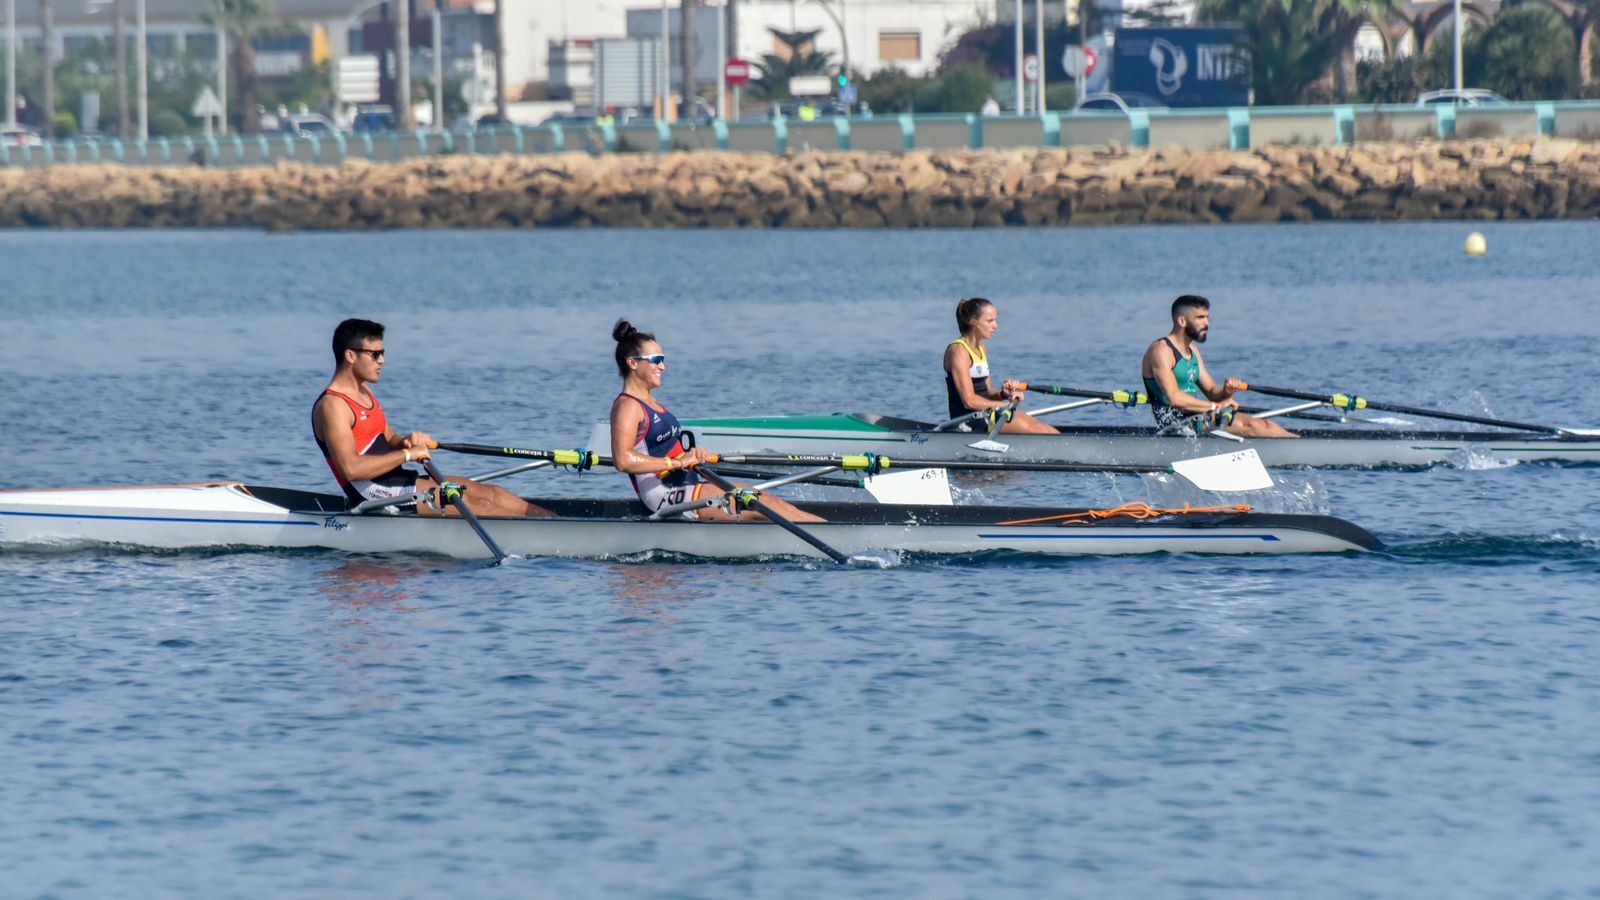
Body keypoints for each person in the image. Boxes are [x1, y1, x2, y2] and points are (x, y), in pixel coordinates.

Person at [311, 318, 551, 516]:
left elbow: (388, 439)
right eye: (375, 354)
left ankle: (555, 522)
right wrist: (407, 454)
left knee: (494, 494)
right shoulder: (333, 406)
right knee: (480, 506)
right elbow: (350, 469)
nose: (382, 360)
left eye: (382, 353)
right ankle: (549, 538)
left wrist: (407, 442)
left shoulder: (364, 392)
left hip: (398, 480)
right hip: (374, 491)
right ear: (351, 356)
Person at [609, 320, 823, 522]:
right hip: (664, 494)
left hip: (685, 485)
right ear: (632, 363)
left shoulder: (651, 402)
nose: (662, 367)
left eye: (663, 359)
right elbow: (623, 460)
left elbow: (660, 448)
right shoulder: (628, 406)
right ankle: (834, 537)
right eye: (655, 360)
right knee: (764, 505)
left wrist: (691, 454)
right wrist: (678, 463)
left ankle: (828, 530)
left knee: (772, 501)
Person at [1139, 295, 1297, 439]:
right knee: (1256, 426)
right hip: (1176, 425)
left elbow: (1212, 392)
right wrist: (1215, 406)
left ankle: (1301, 444)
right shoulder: (1161, 350)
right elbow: (1174, 397)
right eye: (1200, 318)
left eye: (1207, 317)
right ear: (1182, 321)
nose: (1206, 323)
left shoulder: (1192, 349)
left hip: (1197, 417)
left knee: (1267, 425)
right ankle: (1304, 450)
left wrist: (1226, 392)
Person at [943, 298, 1057, 434]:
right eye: (990, 321)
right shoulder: (958, 351)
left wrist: (1003, 394)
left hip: (988, 414)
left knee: (1045, 428)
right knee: (1043, 432)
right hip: (969, 421)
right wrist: (1002, 406)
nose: (995, 326)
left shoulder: (981, 349)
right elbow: (969, 401)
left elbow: (988, 392)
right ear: (973, 321)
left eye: (995, 320)